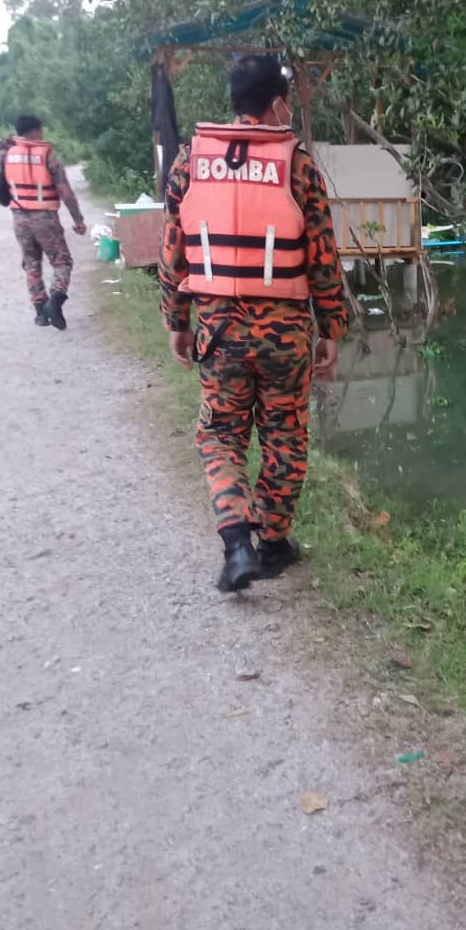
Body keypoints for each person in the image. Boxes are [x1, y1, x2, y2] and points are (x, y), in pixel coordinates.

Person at [159, 56, 348, 592]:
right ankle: (273, 543)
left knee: (220, 435)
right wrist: (331, 328)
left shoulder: (189, 161)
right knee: (285, 437)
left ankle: (236, 543)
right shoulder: (298, 164)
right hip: (285, 334)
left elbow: (174, 247)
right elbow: (323, 256)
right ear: (278, 103)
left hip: (217, 330)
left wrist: (176, 318)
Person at [0, 116, 87, 329]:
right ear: (36, 131)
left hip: (20, 219)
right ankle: (55, 300)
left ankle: (40, 311)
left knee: (31, 263)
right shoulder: (48, 156)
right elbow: (65, 191)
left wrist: (5, 141)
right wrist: (78, 219)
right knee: (62, 262)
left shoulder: (6, 155)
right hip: (46, 218)